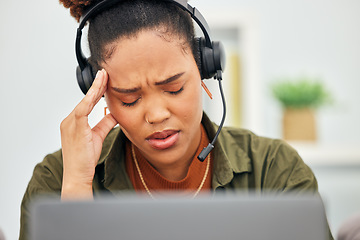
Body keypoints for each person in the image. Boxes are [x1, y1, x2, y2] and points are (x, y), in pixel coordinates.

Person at [19, 0, 333, 239]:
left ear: (205, 69)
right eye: (129, 98)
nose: (157, 115)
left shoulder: (275, 170)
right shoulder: (55, 180)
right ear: (99, 92)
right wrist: (76, 186)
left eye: (174, 88)